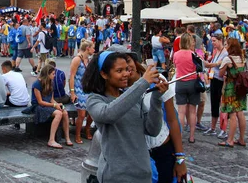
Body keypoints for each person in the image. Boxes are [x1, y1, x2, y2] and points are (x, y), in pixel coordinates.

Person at [83, 49, 166, 183]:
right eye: (119, 71)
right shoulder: (95, 100)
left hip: (143, 174)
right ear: (104, 74)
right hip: (116, 177)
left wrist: (156, 98)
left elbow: (153, 130)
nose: (126, 74)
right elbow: (109, 114)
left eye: (127, 69)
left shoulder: (132, 96)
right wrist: (142, 83)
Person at [125, 51, 187, 183]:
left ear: (135, 62)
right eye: (120, 66)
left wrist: (180, 158)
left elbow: (172, 119)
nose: (126, 68)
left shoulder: (158, 80)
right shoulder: (118, 90)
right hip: (136, 155)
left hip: (163, 151)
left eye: (128, 61)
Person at [30, 64, 72, 149]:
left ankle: (67, 138)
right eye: (53, 74)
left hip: (48, 105)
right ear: (47, 74)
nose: (54, 75)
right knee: (58, 114)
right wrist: (54, 105)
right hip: (38, 107)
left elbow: (51, 99)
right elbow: (40, 102)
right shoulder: (37, 84)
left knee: (65, 112)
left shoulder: (51, 83)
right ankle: (51, 140)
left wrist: (57, 104)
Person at [218, 39, 248, 148]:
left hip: (231, 88)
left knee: (232, 114)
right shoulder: (242, 57)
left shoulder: (228, 59)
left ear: (230, 46)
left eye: (226, 44)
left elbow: (220, 74)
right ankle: (241, 138)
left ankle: (230, 140)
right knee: (240, 112)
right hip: (241, 88)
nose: (225, 46)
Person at [172, 33, 201, 144]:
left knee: (181, 112)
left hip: (180, 82)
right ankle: (192, 136)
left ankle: (179, 135)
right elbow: (198, 68)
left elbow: (175, 66)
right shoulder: (193, 54)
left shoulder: (176, 54)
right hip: (192, 82)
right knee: (192, 111)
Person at [203, 33, 229, 139]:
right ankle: (213, 127)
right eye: (212, 41)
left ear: (220, 40)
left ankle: (223, 129)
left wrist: (210, 64)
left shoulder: (225, 53)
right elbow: (214, 62)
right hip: (213, 79)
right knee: (214, 104)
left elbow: (220, 64)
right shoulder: (215, 51)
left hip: (220, 81)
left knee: (222, 106)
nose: (212, 43)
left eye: (214, 41)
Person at [68, 40, 94, 143]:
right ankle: (78, 134)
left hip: (87, 88)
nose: (94, 50)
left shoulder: (89, 59)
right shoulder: (77, 59)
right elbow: (72, 76)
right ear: (87, 48)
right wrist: (73, 92)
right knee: (82, 114)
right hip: (78, 89)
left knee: (92, 111)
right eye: (92, 47)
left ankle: (87, 128)